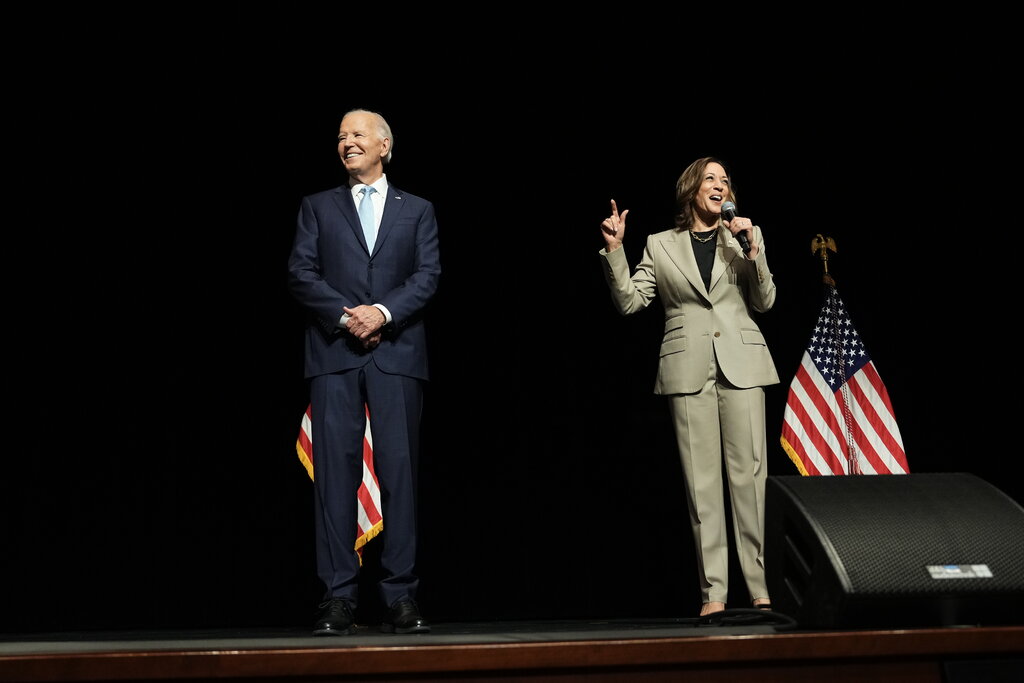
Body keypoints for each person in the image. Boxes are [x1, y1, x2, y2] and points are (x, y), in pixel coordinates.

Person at [598, 157, 779, 616]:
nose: (720, 186)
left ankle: (759, 590)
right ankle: (713, 594)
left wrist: (752, 249)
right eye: (711, 179)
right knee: (702, 486)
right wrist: (616, 250)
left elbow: (766, 300)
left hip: (743, 366)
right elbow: (630, 302)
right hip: (688, 369)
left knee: (749, 479)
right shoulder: (660, 245)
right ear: (691, 190)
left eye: (725, 180)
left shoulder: (743, 236)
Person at [288, 108, 440, 635]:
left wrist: (383, 313)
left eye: (356, 135)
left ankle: (400, 596)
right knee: (333, 479)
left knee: (399, 475)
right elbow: (300, 273)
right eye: (340, 137)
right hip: (334, 356)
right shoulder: (317, 206)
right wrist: (347, 316)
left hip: (396, 357)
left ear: (385, 146)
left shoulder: (417, 210)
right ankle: (338, 598)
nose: (346, 143)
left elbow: (427, 276)